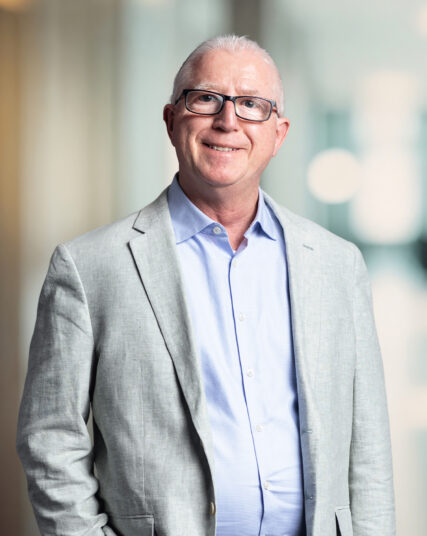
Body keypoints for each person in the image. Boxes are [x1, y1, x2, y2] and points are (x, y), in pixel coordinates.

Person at [17, 35, 395, 536]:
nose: (228, 121)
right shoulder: (88, 267)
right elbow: (50, 438)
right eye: (206, 98)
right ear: (172, 120)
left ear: (279, 133)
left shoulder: (336, 263)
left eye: (251, 105)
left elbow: (367, 446)